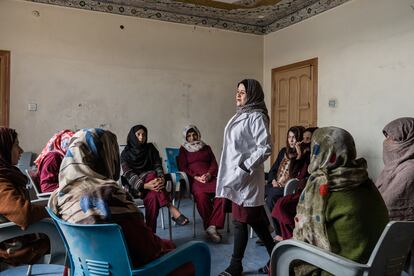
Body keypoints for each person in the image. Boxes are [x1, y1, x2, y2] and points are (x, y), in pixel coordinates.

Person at [48, 128, 193, 274]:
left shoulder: (59, 195)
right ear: (107, 155)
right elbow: (148, 250)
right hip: (125, 270)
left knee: (153, 183)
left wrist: (158, 178)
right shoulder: (111, 195)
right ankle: (169, 207)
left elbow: (157, 166)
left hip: (84, 270)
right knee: (187, 254)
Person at [292, 127, 389, 275]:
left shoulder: (322, 187)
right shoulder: (365, 180)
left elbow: (305, 241)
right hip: (375, 268)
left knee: (283, 258)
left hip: (340, 270)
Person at [216, 79, 274, 276]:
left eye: (243, 92)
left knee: (241, 222)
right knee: (253, 221)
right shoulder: (241, 114)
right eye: (237, 91)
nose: (238, 95)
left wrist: (244, 166)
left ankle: (236, 266)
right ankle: (277, 257)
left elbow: (265, 148)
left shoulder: (257, 116)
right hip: (238, 178)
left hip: (246, 178)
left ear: (253, 94)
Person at [121, 125, 189, 233]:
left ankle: (149, 234)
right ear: (132, 136)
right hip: (138, 186)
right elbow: (128, 174)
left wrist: (161, 178)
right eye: (138, 134)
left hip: (155, 185)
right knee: (152, 175)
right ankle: (170, 206)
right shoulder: (125, 154)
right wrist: (145, 185)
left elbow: (158, 165)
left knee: (152, 197)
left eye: (143, 134)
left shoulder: (150, 148)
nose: (141, 137)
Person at [0, 127, 50, 266]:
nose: (21, 150)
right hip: (12, 249)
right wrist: (51, 210)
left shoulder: (7, 174)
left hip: (16, 239)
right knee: (70, 240)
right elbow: (23, 214)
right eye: (16, 145)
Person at [178, 125, 225, 243]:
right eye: (188, 136)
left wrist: (209, 174)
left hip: (209, 178)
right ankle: (212, 227)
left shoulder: (206, 147)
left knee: (222, 194)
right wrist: (196, 177)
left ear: (198, 134)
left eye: (194, 134)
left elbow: (214, 164)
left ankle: (212, 227)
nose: (192, 137)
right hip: (195, 179)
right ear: (186, 137)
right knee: (201, 197)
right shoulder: (183, 149)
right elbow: (183, 167)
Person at [270, 127, 317, 240]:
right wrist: (273, 180)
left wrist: (299, 155)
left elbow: (295, 175)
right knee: (265, 195)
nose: (304, 141)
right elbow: (274, 170)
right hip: (283, 186)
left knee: (275, 200)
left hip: (300, 189)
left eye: (307, 139)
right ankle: (277, 231)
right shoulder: (284, 151)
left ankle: (287, 234)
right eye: (303, 138)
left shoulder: (310, 156)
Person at [376, 117, 414, 221]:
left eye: (392, 138)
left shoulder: (410, 169)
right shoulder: (393, 167)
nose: (386, 142)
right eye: (386, 137)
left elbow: (385, 204)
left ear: (409, 140)